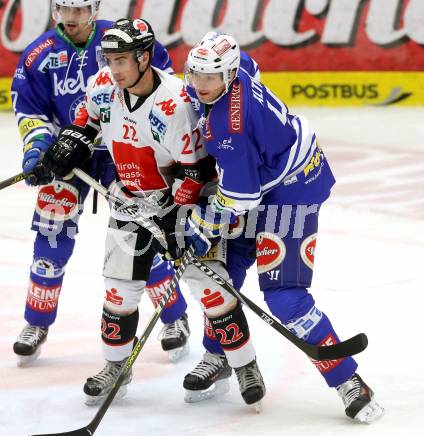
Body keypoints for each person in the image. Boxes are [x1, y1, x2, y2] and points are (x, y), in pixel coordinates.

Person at [41, 18, 266, 407]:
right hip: (128, 201)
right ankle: (116, 367)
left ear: (144, 58)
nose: (114, 69)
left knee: (210, 286)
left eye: (122, 60)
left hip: (185, 205)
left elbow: (198, 171)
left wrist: (176, 222)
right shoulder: (103, 85)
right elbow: (87, 121)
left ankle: (244, 365)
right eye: (109, 60)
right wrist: (69, 145)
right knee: (119, 291)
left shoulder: (175, 103)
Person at [180, 31, 385, 423]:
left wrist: (202, 226)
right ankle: (219, 352)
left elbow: (240, 198)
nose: (201, 86)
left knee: (285, 297)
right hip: (269, 178)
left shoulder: (228, 128)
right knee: (222, 275)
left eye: (210, 78)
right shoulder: (240, 72)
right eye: (197, 75)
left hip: (292, 192)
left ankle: (349, 381)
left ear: (228, 75)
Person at [10, 0, 190, 366]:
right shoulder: (39, 54)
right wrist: (39, 150)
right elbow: (30, 111)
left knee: (140, 232)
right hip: (69, 150)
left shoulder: (125, 41)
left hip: (121, 150)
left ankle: (174, 316)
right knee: (51, 230)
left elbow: (163, 92)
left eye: (79, 10)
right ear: (54, 9)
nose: (71, 18)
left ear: (94, 9)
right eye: (64, 9)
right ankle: (36, 322)